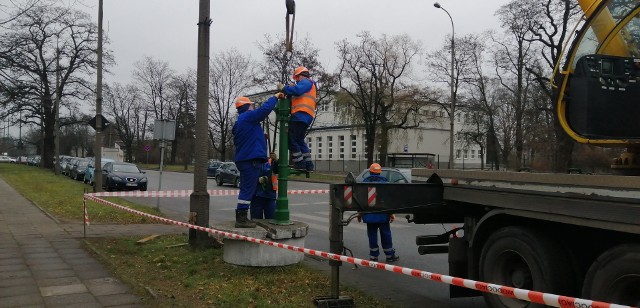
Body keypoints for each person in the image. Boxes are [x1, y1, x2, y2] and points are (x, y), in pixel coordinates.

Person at [232, 94, 283, 228]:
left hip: (245, 159)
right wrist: (275, 97)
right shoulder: (247, 117)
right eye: (251, 105)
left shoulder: (241, 122)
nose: (253, 106)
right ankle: (241, 218)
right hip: (249, 160)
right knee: (247, 189)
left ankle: (242, 216)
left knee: (247, 188)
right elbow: (263, 111)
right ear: (247, 107)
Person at [357, 163, 399, 262]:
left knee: (372, 236)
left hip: (369, 216)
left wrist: (360, 214)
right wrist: (391, 213)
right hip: (383, 215)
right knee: (386, 235)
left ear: (370, 171)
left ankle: (373, 256)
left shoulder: (364, 184)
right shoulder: (385, 184)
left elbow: (361, 201)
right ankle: (389, 255)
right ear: (380, 172)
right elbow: (389, 201)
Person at [281, 66, 317, 171]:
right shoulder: (309, 85)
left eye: (297, 77)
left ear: (301, 75)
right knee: (299, 140)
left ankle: (299, 163)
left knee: (292, 140)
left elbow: (297, 90)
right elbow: (295, 95)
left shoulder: (306, 82)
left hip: (300, 115)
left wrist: (284, 88)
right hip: (306, 116)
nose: (296, 80)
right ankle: (308, 164)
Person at [250, 152, 279, 220]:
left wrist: (275, 162)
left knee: (271, 220)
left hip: (269, 195)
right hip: (257, 196)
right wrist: (258, 180)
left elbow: (277, 171)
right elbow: (248, 177)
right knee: (256, 221)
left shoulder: (271, 162)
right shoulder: (254, 163)